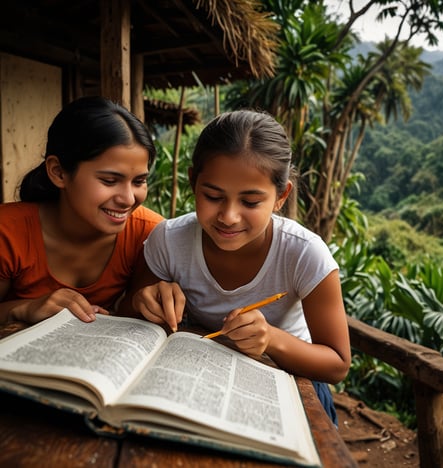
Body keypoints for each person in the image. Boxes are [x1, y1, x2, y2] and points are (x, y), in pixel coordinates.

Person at [130, 109, 351, 425]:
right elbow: (133, 309)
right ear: (193, 181)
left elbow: (337, 364)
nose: (229, 216)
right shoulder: (169, 240)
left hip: (289, 385)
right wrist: (144, 300)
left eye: (250, 202)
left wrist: (271, 339)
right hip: (197, 378)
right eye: (213, 196)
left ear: (280, 196)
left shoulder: (303, 253)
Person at [0, 96, 164, 325]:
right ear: (58, 172)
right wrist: (23, 308)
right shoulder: (7, 232)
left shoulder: (148, 235)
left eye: (139, 181)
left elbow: (135, 314)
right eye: (109, 180)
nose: (128, 199)